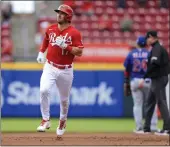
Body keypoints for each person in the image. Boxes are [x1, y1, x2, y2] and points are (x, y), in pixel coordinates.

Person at [36, 4, 84, 137]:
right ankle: (45, 119)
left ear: (68, 16)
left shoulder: (74, 32)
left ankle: (63, 120)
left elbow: (79, 52)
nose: (59, 15)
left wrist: (66, 46)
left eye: (62, 13)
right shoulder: (51, 28)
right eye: (58, 12)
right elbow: (46, 40)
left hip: (66, 70)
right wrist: (41, 52)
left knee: (64, 100)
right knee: (43, 90)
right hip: (50, 66)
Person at [124, 36, 158, 133]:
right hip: (147, 81)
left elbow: (126, 70)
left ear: (137, 43)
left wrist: (126, 81)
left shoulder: (131, 53)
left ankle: (139, 127)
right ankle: (153, 126)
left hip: (135, 80)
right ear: (145, 44)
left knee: (137, 105)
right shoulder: (149, 53)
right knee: (152, 104)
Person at [140, 30, 170, 135]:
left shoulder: (157, 48)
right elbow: (153, 63)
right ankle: (146, 128)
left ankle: (167, 128)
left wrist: (145, 75)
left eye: (147, 38)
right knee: (149, 102)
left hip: (159, 78)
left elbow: (155, 63)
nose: (146, 40)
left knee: (161, 102)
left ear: (152, 37)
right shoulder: (155, 48)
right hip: (156, 78)